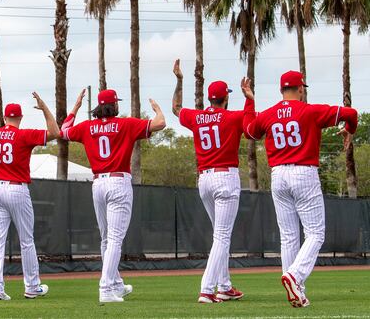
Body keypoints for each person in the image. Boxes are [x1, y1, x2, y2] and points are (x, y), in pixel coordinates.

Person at [245, 70, 357, 308]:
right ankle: (295, 276)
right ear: (300, 89)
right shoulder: (310, 110)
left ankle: (297, 290)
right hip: (303, 173)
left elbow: (250, 131)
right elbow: (351, 113)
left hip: (278, 175)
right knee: (315, 233)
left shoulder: (267, 114)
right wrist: (350, 129)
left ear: (280, 90)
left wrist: (250, 101)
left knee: (288, 236)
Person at [62, 88, 166, 304]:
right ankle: (106, 288)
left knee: (106, 238)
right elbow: (160, 123)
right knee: (115, 240)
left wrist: (76, 107)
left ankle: (116, 284)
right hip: (118, 182)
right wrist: (157, 109)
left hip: (98, 183)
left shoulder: (87, 127)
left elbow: (63, 130)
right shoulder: (126, 124)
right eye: (117, 102)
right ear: (114, 105)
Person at [172, 59, 254, 303]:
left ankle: (225, 286)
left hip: (204, 180)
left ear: (209, 99)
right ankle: (207, 289)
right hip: (225, 178)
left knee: (221, 234)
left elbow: (176, 107)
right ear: (225, 98)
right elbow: (252, 126)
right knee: (222, 236)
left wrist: (179, 80)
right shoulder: (233, 117)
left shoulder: (196, 117)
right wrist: (249, 98)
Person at [0, 93, 59, 301]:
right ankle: (32, 287)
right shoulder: (24, 135)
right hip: (17, 189)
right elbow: (55, 132)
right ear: (20, 118)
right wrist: (44, 109)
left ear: (5, 119)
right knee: (26, 241)